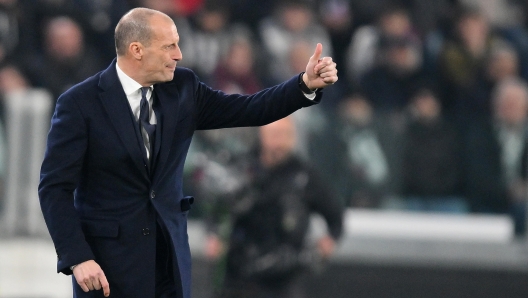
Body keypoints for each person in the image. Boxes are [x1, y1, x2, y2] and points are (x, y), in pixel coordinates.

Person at [37, 7, 338, 298]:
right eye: (169, 46)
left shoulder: (183, 88)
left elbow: (248, 109)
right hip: (107, 269)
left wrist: (303, 85)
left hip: (170, 263)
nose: (178, 55)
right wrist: (77, 257)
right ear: (137, 50)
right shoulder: (79, 104)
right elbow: (55, 188)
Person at [205, 117, 344, 298]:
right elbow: (216, 208)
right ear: (262, 136)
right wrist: (213, 236)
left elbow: (335, 214)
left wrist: (329, 240)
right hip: (238, 273)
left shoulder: (304, 176)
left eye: (286, 135)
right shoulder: (241, 167)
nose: (280, 142)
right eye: (275, 134)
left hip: (283, 278)